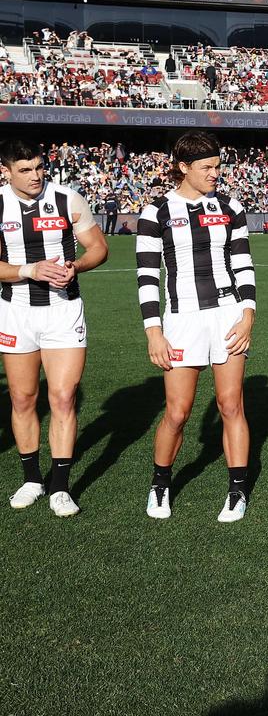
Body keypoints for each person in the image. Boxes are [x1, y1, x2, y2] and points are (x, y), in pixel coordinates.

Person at [136, 131, 256, 523]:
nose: (215, 174)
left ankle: (237, 491)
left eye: (218, 167)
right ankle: (159, 485)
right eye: (206, 168)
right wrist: (154, 330)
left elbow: (243, 264)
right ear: (183, 167)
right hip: (182, 318)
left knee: (230, 404)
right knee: (177, 412)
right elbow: (147, 276)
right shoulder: (155, 213)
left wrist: (248, 313)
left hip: (227, 315)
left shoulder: (230, 206)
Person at [1, 140, 108, 517]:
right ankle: (32, 478)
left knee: (63, 398)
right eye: (25, 170)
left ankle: (60, 488)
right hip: (16, 313)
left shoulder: (67, 199)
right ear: (6, 171)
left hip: (64, 312)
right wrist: (28, 271)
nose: (35, 176)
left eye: (39, 167)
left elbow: (98, 247)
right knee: (23, 398)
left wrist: (75, 267)